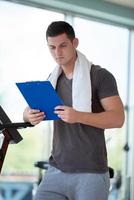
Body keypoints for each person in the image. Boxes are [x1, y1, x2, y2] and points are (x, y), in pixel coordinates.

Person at [23, 21, 125, 200]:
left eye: (63, 45)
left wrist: (78, 116)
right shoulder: (52, 79)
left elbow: (118, 118)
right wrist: (28, 115)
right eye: (52, 47)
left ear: (75, 43)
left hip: (91, 173)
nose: (57, 53)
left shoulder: (100, 76)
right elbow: (30, 109)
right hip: (56, 170)